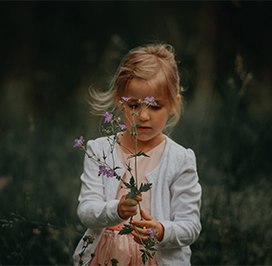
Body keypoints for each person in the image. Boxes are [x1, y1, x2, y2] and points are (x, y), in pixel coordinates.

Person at [73, 43, 202, 266]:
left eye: (155, 106)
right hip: (104, 258)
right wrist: (117, 209)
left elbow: (190, 226)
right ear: (119, 101)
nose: (143, 116)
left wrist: (162, 231)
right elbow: (86, 211)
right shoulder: (100, 150)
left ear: (173, 105)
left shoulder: (180, 159)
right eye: (133, 105)